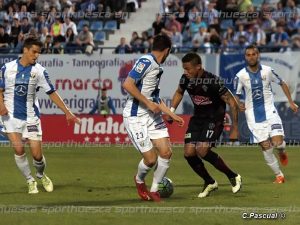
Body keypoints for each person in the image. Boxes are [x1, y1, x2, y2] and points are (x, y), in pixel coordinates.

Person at [0, 37, 81, 194]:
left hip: (31, 116)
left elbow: (52, 92)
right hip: (9, 116)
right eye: (34, 51)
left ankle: (41, 174)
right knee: (18, 150)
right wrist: (1, 105)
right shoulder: (7, 68)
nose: (36, 55)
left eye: (39, 53)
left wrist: (67, 112)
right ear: (25, 50)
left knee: (37, 155)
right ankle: (30, 180)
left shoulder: (40, 71)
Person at [168, 52, 242, 198]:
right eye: (184, 69)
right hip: (198, 119)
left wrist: (235, 128)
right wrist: (171, 111)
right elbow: (179, 92)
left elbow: (232, 102)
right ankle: (209, 182)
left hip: (214, 119)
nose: (185, 72)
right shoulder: (186, 79)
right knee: (189, 153)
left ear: (198, 67)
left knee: (202, 150)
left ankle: (233, 176)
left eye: (188, 69)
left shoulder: (212, 81)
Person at [122, 34, 184, 202]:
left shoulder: (157, 67)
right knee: (150, 159)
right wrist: (147, 103)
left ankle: (155, 191)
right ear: (167, 50)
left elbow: (155, 98)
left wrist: (172, 114)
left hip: (152, 116)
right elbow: (127, 84)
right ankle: (139, 180)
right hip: (135, 116)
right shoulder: (146, 61)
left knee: (166, 152)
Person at [234, 44, 298, 183]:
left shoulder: (268, 71)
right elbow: (236, 95)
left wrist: (291, 102)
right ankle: (279, 175)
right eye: (248, 55)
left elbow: (282, 83)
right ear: (245, 57)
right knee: (266, 147)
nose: (251, 57)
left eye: (253, 54)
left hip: (270, 112)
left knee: (278, 143)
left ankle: (281, 151)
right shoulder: (241, 75)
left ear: (258, 55)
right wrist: (239, 104)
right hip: (253, 117)